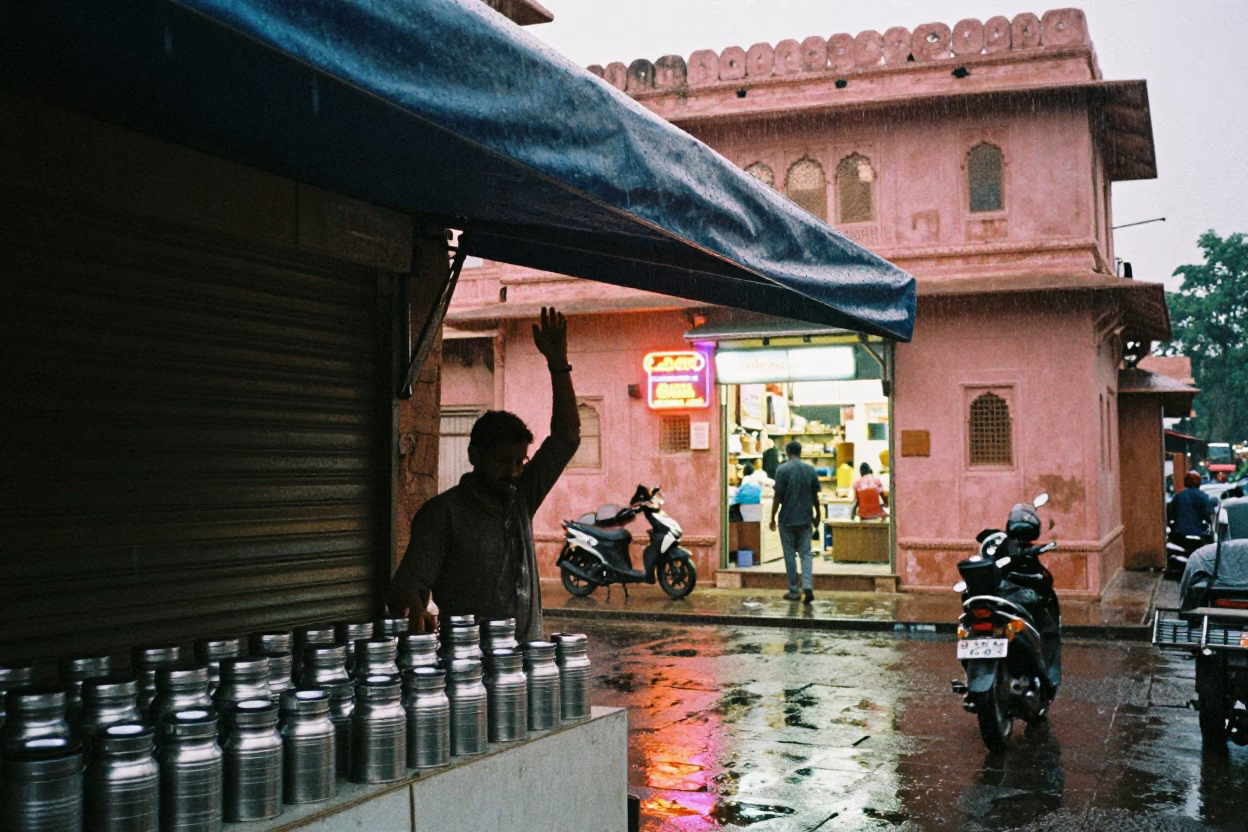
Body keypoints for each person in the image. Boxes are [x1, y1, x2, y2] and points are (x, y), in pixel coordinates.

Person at [386, 307, 580, 642]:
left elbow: (566, 436)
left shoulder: (520, 499)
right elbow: (405, 587)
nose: (515, 471)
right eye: (504, 461)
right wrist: (415, 607)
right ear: (474, 455)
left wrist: (558, 364)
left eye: (521, 462)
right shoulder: (442, 515)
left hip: (525, 671)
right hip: (469, 675)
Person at [770, 440, 820, 604]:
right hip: (805, 519)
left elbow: (777, 496)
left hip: (787, 519)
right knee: (806, 555)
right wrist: (817, 514)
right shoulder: (810, 469)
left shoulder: (782, 469)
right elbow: (815, 496)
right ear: (800, 451)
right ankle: (808, 587)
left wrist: (772, 517)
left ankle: (793, 590)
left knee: (789, 555)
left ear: (788, 451)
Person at [1172, 470, 1216, 536]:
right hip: (1197, 533)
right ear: (1198, 482)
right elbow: (1208, 514)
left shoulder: (1178, 497)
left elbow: (1172, 514)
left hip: (1179, 534)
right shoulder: (1202, 496)